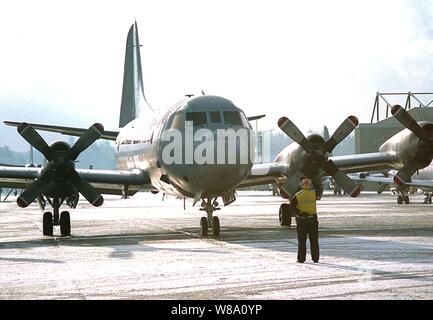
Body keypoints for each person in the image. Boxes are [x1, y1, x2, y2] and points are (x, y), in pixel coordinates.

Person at [290, 177, 319, 263]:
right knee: (314, 240)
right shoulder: (314, 193)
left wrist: (300, 213)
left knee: (302, 241)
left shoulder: (297, 195)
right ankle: (315, 258)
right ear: (311, 185)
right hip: (312, 219)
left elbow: (292, 208)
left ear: (300, 185)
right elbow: (319, 188)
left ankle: (301, 259)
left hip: (301, 220)